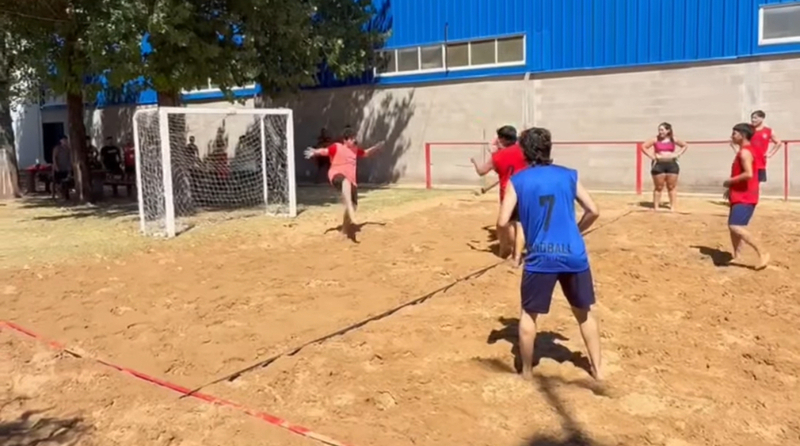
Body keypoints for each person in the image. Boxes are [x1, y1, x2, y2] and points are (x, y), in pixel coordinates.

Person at [497, 127, 603, 381]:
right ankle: (599, 371)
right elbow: (594, 210)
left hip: (540, 257)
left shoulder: (519, 180)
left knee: (529, 315)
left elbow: (502, 221)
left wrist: (510, 243)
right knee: (584, 313)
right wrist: (576, 231)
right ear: (548, 149)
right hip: (573, 254)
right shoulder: (568, 175)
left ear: (524, 151)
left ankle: (526, 372)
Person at [304, 128, 383, 237]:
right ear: (345, 140)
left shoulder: (355, 150)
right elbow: (325, 151)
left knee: (354, 206)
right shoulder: (337, 147)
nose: (353, 141)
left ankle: (345, 229)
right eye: (351, 139)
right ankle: (349, 205)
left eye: (354, 138)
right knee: (345, 183)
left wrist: (376, 148)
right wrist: (315, 152)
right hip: (336, 174)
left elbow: (365, 153)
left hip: (352, 182)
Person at [471, 125, 528, 262]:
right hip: (526, 189)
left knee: (505, 223)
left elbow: (481, 171)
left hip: (508, 192)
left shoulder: (496, 157)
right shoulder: (525, 151)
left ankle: (506, 251)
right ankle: (518, 252)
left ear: (502, 139)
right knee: (520, 222)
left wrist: (475, 161)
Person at [724, 123, 770, 270]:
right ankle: (738, 256)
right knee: (734, 226)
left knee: (735, 226)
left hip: (746, 195)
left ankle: (763, 252)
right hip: (739, 193)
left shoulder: (745, 152)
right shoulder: (746, 151)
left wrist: (729, 181)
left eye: (734, 133)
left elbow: (748, 174)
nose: (732, 136)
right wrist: (731, 188)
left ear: (742, 135)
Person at [641, 122, 688, 211]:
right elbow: (643, 146)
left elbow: (684, 145)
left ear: (668, 130)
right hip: (659, 164)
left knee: (671, 186)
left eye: (662, 130)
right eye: (659, 130)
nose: (660, 132)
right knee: (658, 186)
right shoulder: (655, 139)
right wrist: (652, 156)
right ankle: (656, 207)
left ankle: (672, 207)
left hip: (671, 164)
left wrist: (678, 154)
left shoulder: (673, 139)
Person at [749, 110, 783, 184]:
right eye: (752, 118)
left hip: (760, 162)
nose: (753, 120)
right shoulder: (748, 129)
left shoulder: (768, 131)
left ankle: (755, 195)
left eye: (755, 118)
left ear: (762, 118)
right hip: (748, 161)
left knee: (757, 183)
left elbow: (778, 143)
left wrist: (770, 153)